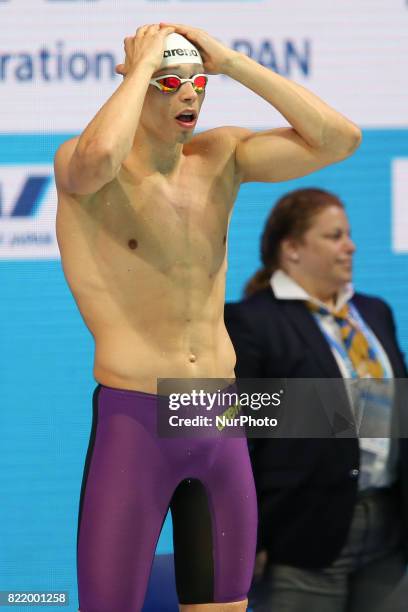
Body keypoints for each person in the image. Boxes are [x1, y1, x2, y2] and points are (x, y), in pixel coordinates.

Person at [53, 21, 361, 612]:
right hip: (137, 419)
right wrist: (140, 68)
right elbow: (95, 160)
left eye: (197, 83)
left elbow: (339, 140)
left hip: (219, 412)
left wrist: (233, 62)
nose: (189, 95)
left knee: (224, 605)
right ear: (136, 86)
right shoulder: (88, 169)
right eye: (171, 83)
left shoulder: (221, 157)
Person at [224, 188, 408, 612]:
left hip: (387, 530)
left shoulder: (375, 311)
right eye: (335, 236)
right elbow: (235, 438)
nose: (351, 246)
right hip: (301, 536)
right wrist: (250, 538)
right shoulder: (251, 322)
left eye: (348, 234)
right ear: (292, 249)